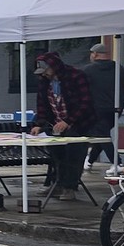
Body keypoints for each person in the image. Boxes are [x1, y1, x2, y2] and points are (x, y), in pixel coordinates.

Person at [30, 50, 97, 200]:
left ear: (54, 67)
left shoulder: (76, 76)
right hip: (56, 124)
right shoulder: (44, 82)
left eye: (46, 70)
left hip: (80, 123)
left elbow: (85, 103)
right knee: (57, 156)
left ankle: (69, 187)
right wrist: (39, 124)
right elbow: (42, 105)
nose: (44, 74)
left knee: (74, 155)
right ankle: (57, 184)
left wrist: (68, 121)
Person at [82, 44, 119, 166]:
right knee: (101, 134)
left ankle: (117, 163)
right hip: (115, 109)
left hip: (96, 109)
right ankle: (90, 160)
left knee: (102, 135)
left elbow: (80, 89)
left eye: (91, 54)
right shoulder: (118, 68)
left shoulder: (88, 70)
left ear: (95, 54)